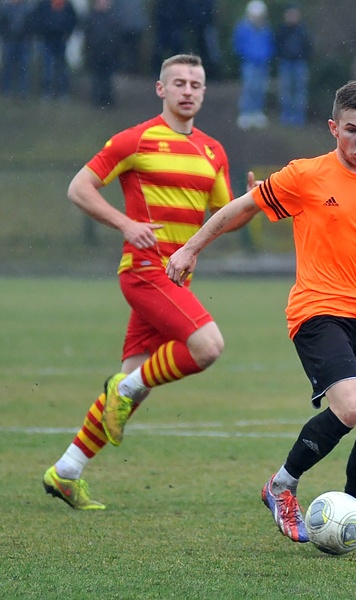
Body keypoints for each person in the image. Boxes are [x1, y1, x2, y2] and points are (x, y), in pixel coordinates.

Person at [165, 80, 356, 548]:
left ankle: (355, 517)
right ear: (334, 128)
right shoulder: (305, 175)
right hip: (316, 309)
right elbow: (240, 207)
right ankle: (282, 485)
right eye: (351, 130)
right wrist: (191, 248)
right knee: (350, 408)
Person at [42, 54, 255, 511]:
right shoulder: (135, 139)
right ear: (161, 89)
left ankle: (66, 471)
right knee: (207, 347)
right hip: (144, 271)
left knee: (135, 383)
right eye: (177, 82)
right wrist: (124, 224)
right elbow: (79, 187)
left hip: (177, 279)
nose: (187, 90)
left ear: (203, 92)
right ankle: (124, 388)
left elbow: (222, 219)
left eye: (195, 83)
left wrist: (250, 205)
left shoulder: (214, 150)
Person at [232, 0, 275, 130]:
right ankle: (245, 114)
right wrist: (246, 55)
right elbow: (237, 44)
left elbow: (270, 43)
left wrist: (267, 56)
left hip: (262, 63)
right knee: (249, 88)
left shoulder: (266, 28)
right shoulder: (243, 27)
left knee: (260, 88)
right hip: (249, 63)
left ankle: (257, 113)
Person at [275, 3, 313, 127]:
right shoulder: (282, 29)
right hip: (285, 62)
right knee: (285, 90)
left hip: (299, 63)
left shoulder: (303, 30)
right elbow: (277, 45)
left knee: (299, 91)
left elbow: (308, 46)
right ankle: (286, 115)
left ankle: (298, 117)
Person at [31, 0, 77, 100]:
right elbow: (36, 18)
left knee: (62, 67)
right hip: (47, 39)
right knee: (47, 68)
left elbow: (73, 19)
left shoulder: (67, 4)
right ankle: (46, 92)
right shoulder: (44, 4)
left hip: (61, 39)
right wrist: (41, 33)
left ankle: (63, 93)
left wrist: (68, 33)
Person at [83, 0, 120, 108]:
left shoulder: (112, 17)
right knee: (97, 77)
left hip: (109, 52)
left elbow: (116, 35)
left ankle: (106, 99)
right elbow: (88, 34)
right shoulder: (92, 17)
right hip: (96, 51)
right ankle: (97, 98)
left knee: (107, 78)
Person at [0, 0, 34, 98]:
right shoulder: (5, 8)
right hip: (9, 41)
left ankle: (23, 91)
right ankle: (6, 91)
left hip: (24, 42)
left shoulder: (27, 8)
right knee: (8, 66)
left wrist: (28, 36)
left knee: (23, 67)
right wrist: (6, 35)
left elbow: (31, 24)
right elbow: (2, 23)